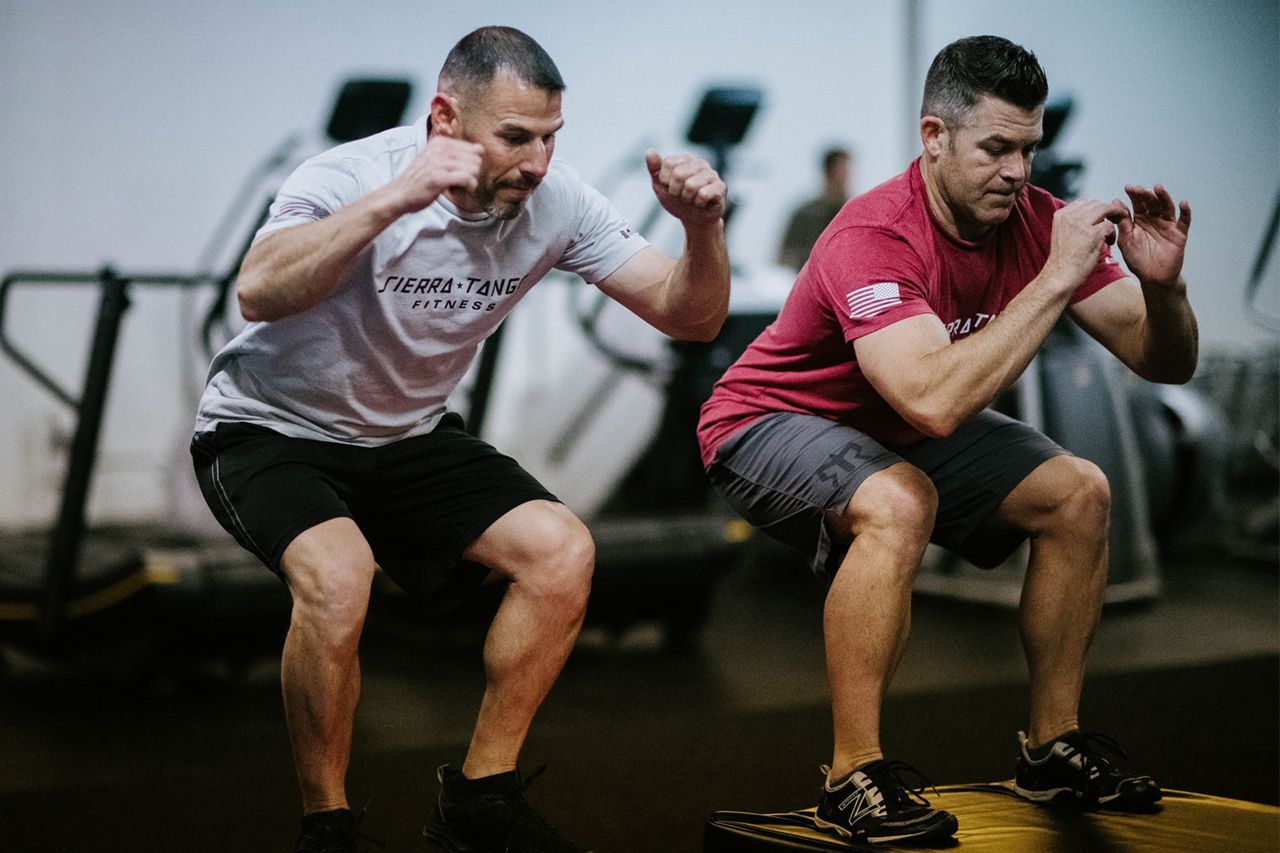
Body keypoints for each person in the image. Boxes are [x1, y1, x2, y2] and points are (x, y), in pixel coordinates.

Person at [191, 26, 729, 853]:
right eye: (515, 138)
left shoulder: (559, 200)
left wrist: (701, 231)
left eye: (551, 136)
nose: (538, 161)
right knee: (339, 577)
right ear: (444, 119)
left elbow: (688, 315)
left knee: (561, 551)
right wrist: (396, 201)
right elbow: (258, 291)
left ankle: (479, 799)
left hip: (406, 438)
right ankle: (326, 825)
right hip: (271, 430)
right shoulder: (350, 176)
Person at [698, 34, 1195, 846]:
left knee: (1080, 494)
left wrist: (1165, 291)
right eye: (995, 148)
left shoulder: (1033, 222)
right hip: (767, 421)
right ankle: (851, 775)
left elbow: (1161, 360)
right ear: (934, 138)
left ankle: (1050, 748)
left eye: (1028, 149)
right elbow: (932, 402)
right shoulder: (875, 233)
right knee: (900, 500)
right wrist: (1055, 278)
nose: (1017, 171)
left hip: (891, 419)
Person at [776, 147, 853, 271]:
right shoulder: (804, 213)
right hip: (808, 282)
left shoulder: (854, 214)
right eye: (842, 173)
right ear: (827, 173)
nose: (847, 179)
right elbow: (783, 256)